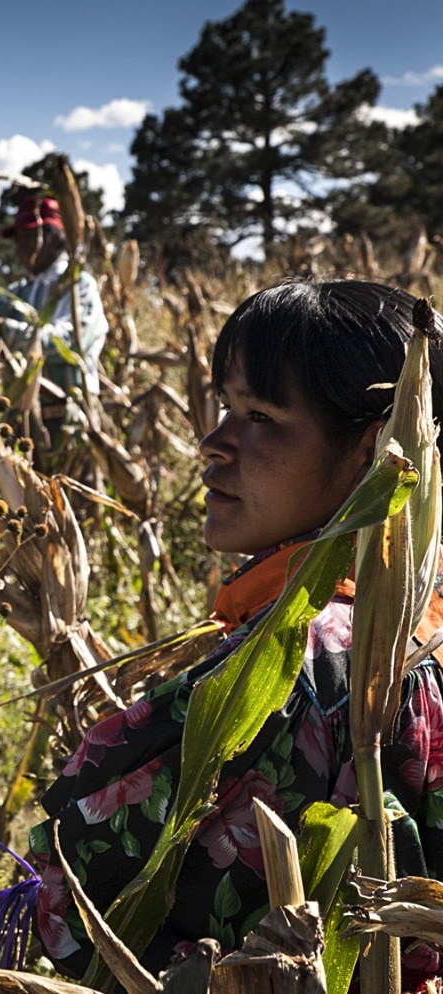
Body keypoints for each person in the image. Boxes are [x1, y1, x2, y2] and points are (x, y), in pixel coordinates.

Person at [29, 279, 443, 983]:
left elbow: (85, 877)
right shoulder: (418, 617)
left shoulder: (303, 661)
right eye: (225, 407)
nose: (212, 444)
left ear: (379, 452)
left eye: (261, 416)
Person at [0, 195, 108, 431]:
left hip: (71, 421)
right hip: (22, 423)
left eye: (27, 238)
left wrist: (5, 330)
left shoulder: (79, 286)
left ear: (56, 239)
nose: (19, 249)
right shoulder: (16, 294)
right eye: (17, 240)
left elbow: (72, 342)